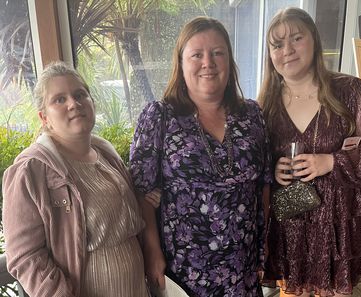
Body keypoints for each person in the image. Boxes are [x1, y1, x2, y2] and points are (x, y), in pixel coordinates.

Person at [257, 7, 361, 297]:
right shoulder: (264, 105)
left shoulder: (350, 91)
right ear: (270, 54)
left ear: (314, 41)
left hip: (337, 225)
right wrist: (271, 168)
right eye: (278, 44)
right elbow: (250, 163)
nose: (288, 50)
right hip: (290, 228)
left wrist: (332, 161)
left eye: (297, 38)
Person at [129, 16, 272, 296]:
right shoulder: (159, 117)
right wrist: (151, 251)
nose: (208, 62)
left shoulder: (253, 115)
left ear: (229, 62)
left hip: (242, 268)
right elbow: (140, 192)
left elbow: (264, 185)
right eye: (197, 54)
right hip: (184, 269)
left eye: (218, 53)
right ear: (181, 64)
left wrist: (263, 244)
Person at [2, 61, 149, 297]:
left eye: (80, 94)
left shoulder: (107, 155)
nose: (74, 103)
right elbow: (25, 257)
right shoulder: (30, 171)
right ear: (44, 117)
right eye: (59, 99)